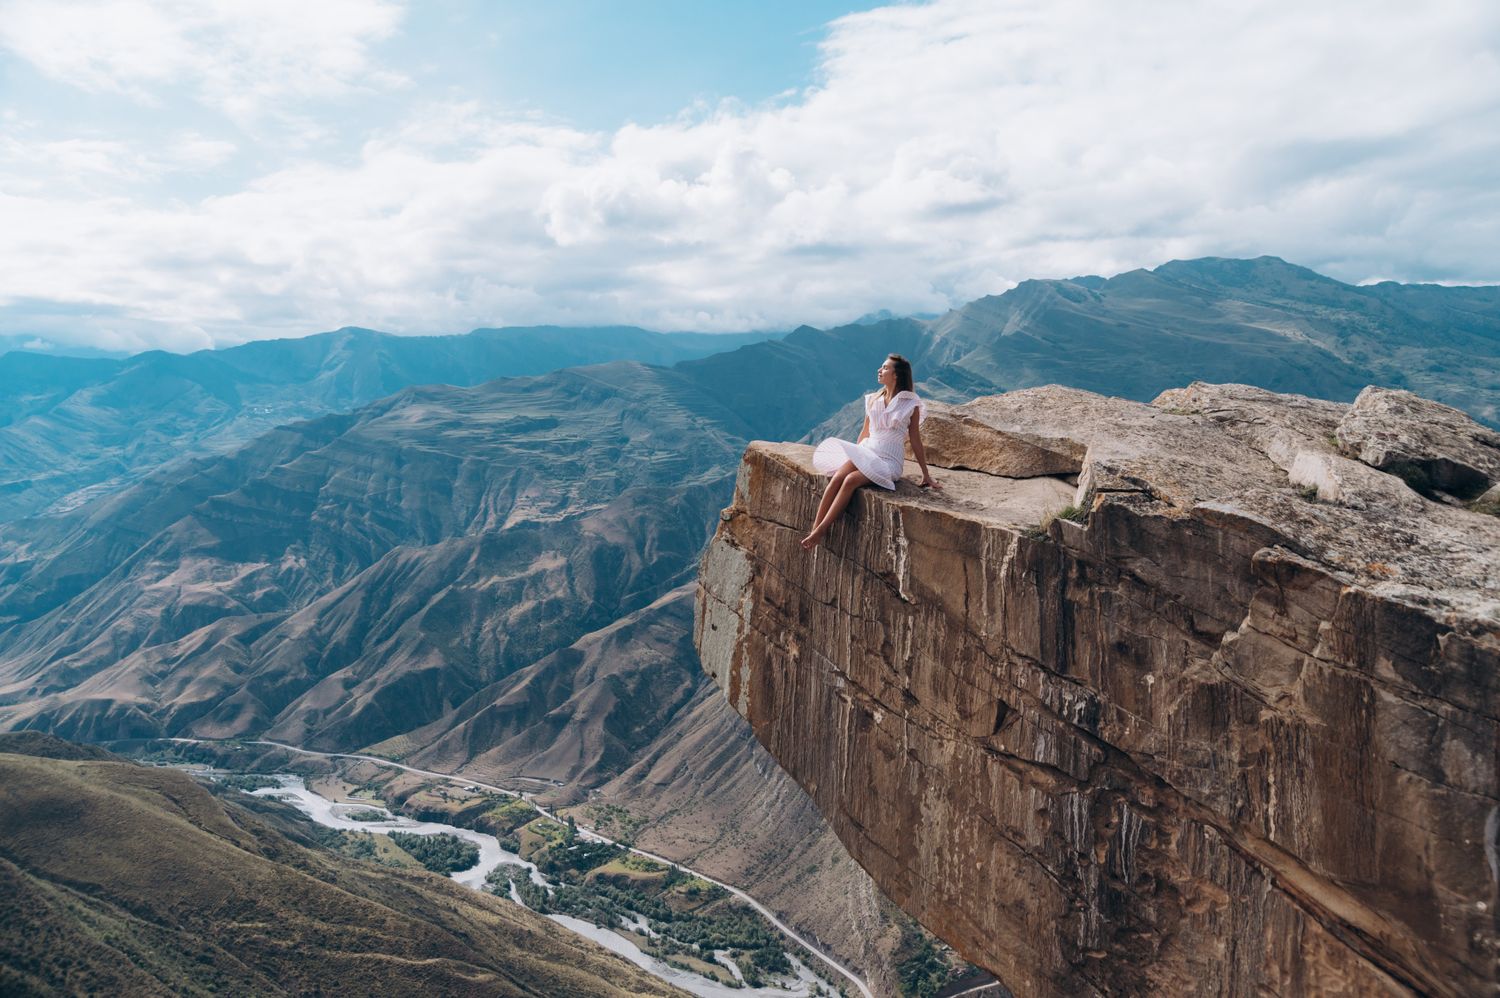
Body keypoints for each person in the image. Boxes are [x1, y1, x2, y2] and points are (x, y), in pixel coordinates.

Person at [801, 353, 940, 550]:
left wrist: (926, 474)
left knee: (850, 480)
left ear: (896, 375)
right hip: (868, 449)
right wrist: (854, 453)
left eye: (884, 368)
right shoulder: (874, 398)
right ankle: (814, 527)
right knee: (839, 476)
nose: (879, 370)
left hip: (889, 460)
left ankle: (821, 530)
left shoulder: (911, 404)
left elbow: (915, 439)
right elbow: (865, 431)